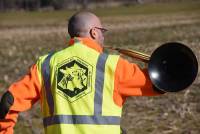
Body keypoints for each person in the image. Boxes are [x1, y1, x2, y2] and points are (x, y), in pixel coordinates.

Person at [0, 11, 164, 134]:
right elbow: (159, 82)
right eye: (102, 31)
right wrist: (163, 61)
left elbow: (8, 102)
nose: (103, 37)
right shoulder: (112, 65)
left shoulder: (45, 65)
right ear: (94, 32)